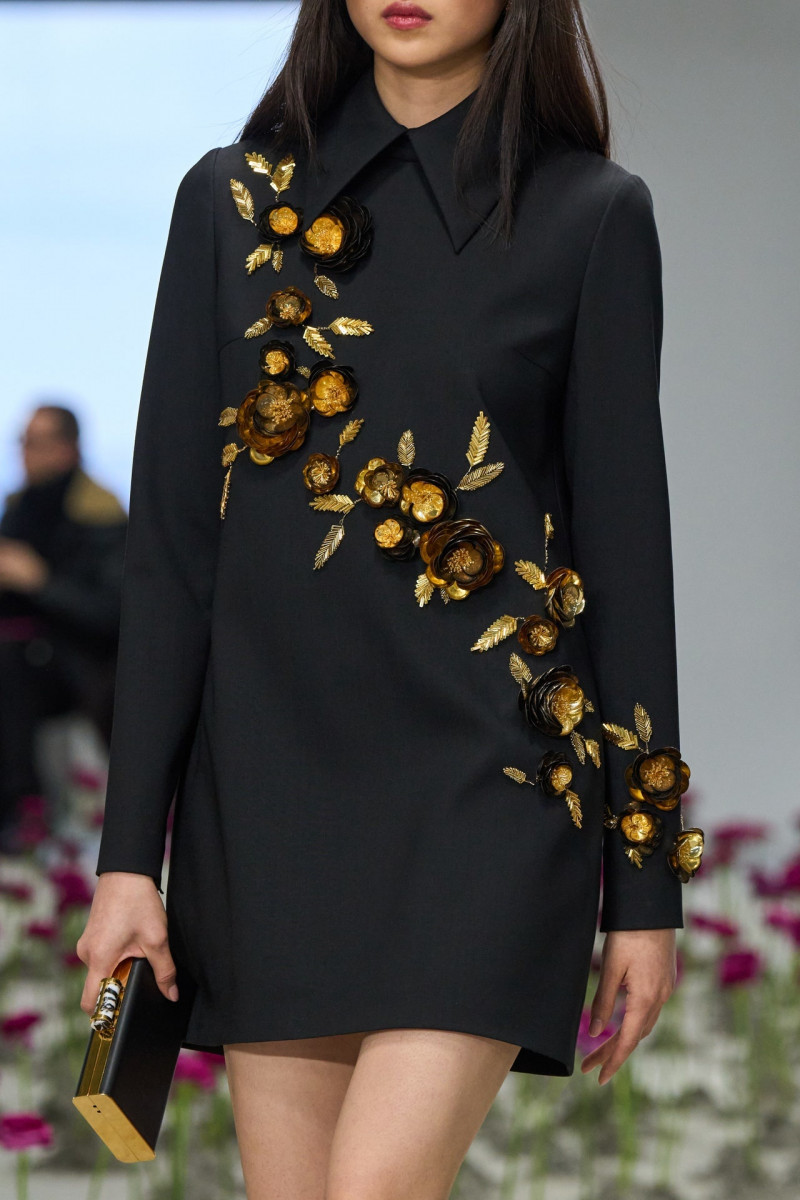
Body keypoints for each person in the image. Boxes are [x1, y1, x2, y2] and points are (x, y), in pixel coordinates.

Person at [77, 1, 706, 1195]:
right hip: (267, 801)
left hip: (489, 790)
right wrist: (126, 862)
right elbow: (171, 555)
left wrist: (643, 893)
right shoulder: (231, 203)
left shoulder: (588, 214)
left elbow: (627, 570)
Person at [0, 403, 126, 850]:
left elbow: (110, 612)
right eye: (23, 441)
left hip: (83, 664)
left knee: (10, 666)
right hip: (26, 649)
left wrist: (40, 581)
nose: (25, 453)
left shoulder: (101, 514)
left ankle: (24, 811)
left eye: (35, 442)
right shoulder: (19, 508)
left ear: (66, 448)